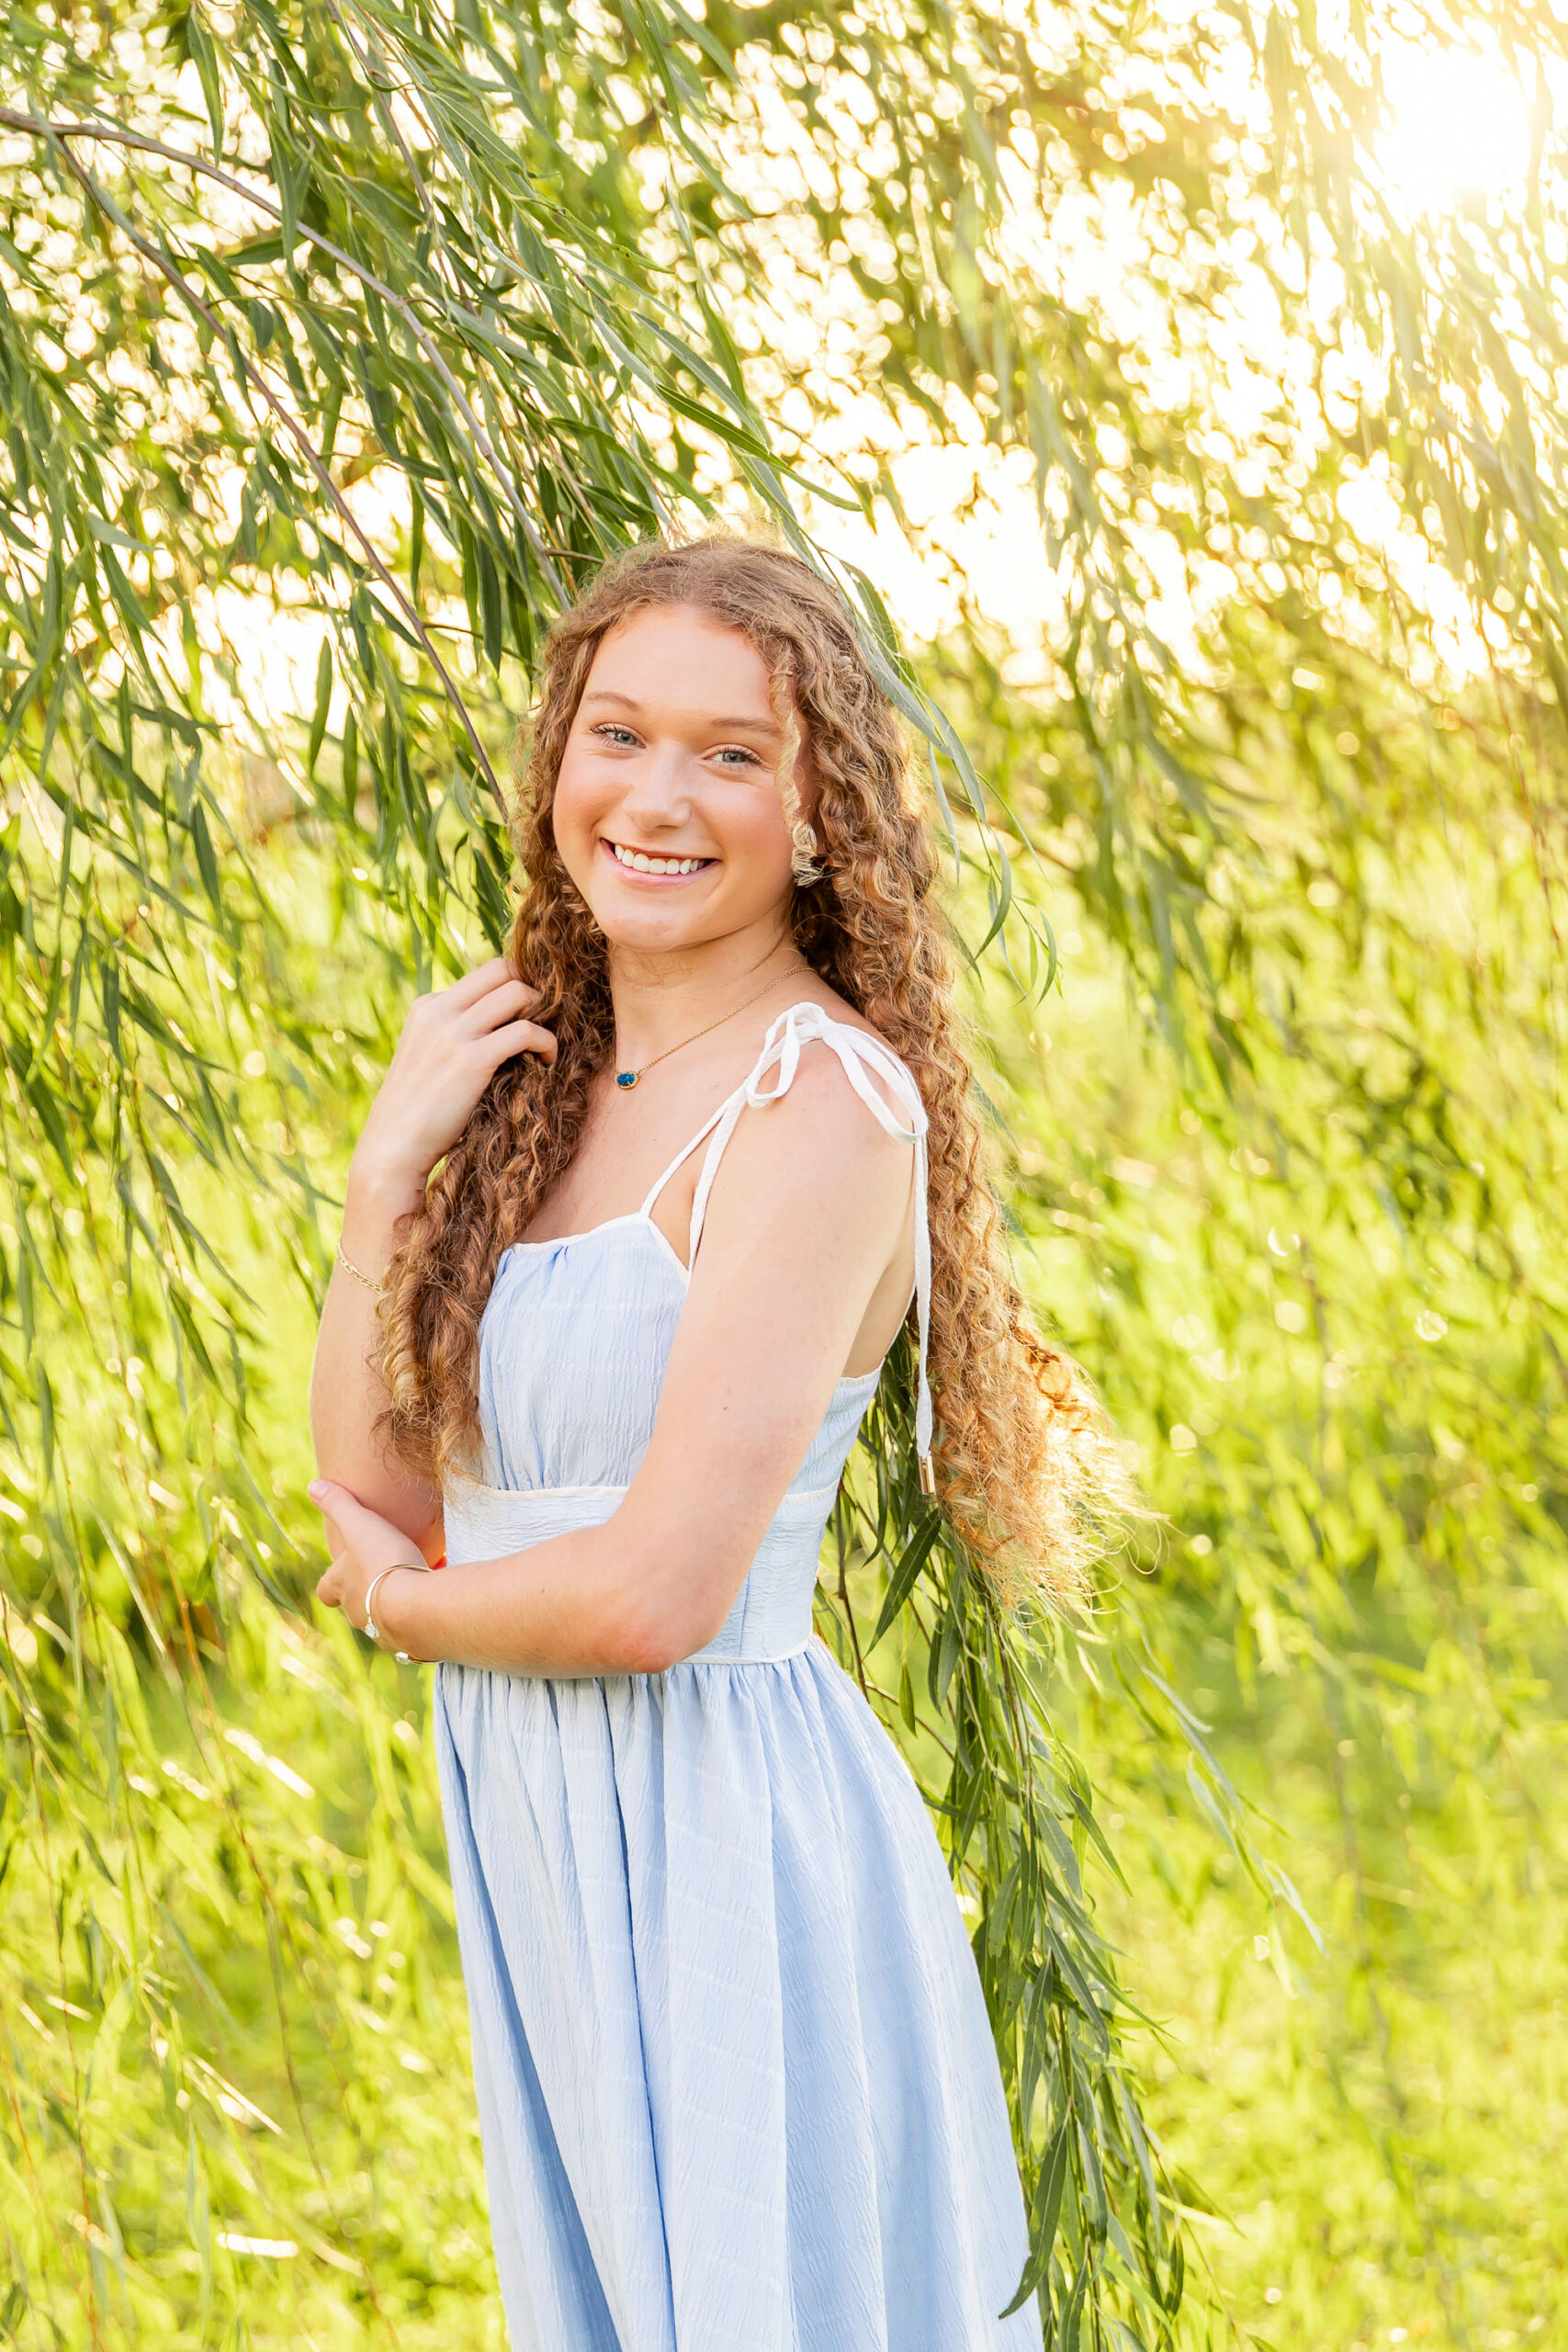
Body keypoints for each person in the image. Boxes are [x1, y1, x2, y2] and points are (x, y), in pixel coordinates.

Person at [307, 536, 1121, 2349]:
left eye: (732, 753)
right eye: (618, 734)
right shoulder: (529, 1083)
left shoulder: (815, 1105)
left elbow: (657, 1590)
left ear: (820, 801)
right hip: (538, 1811)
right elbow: (371, 1476)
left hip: (717, 1832)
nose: (656, 798)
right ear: (554, 764)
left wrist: (402, 1606)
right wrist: (385, 1174)